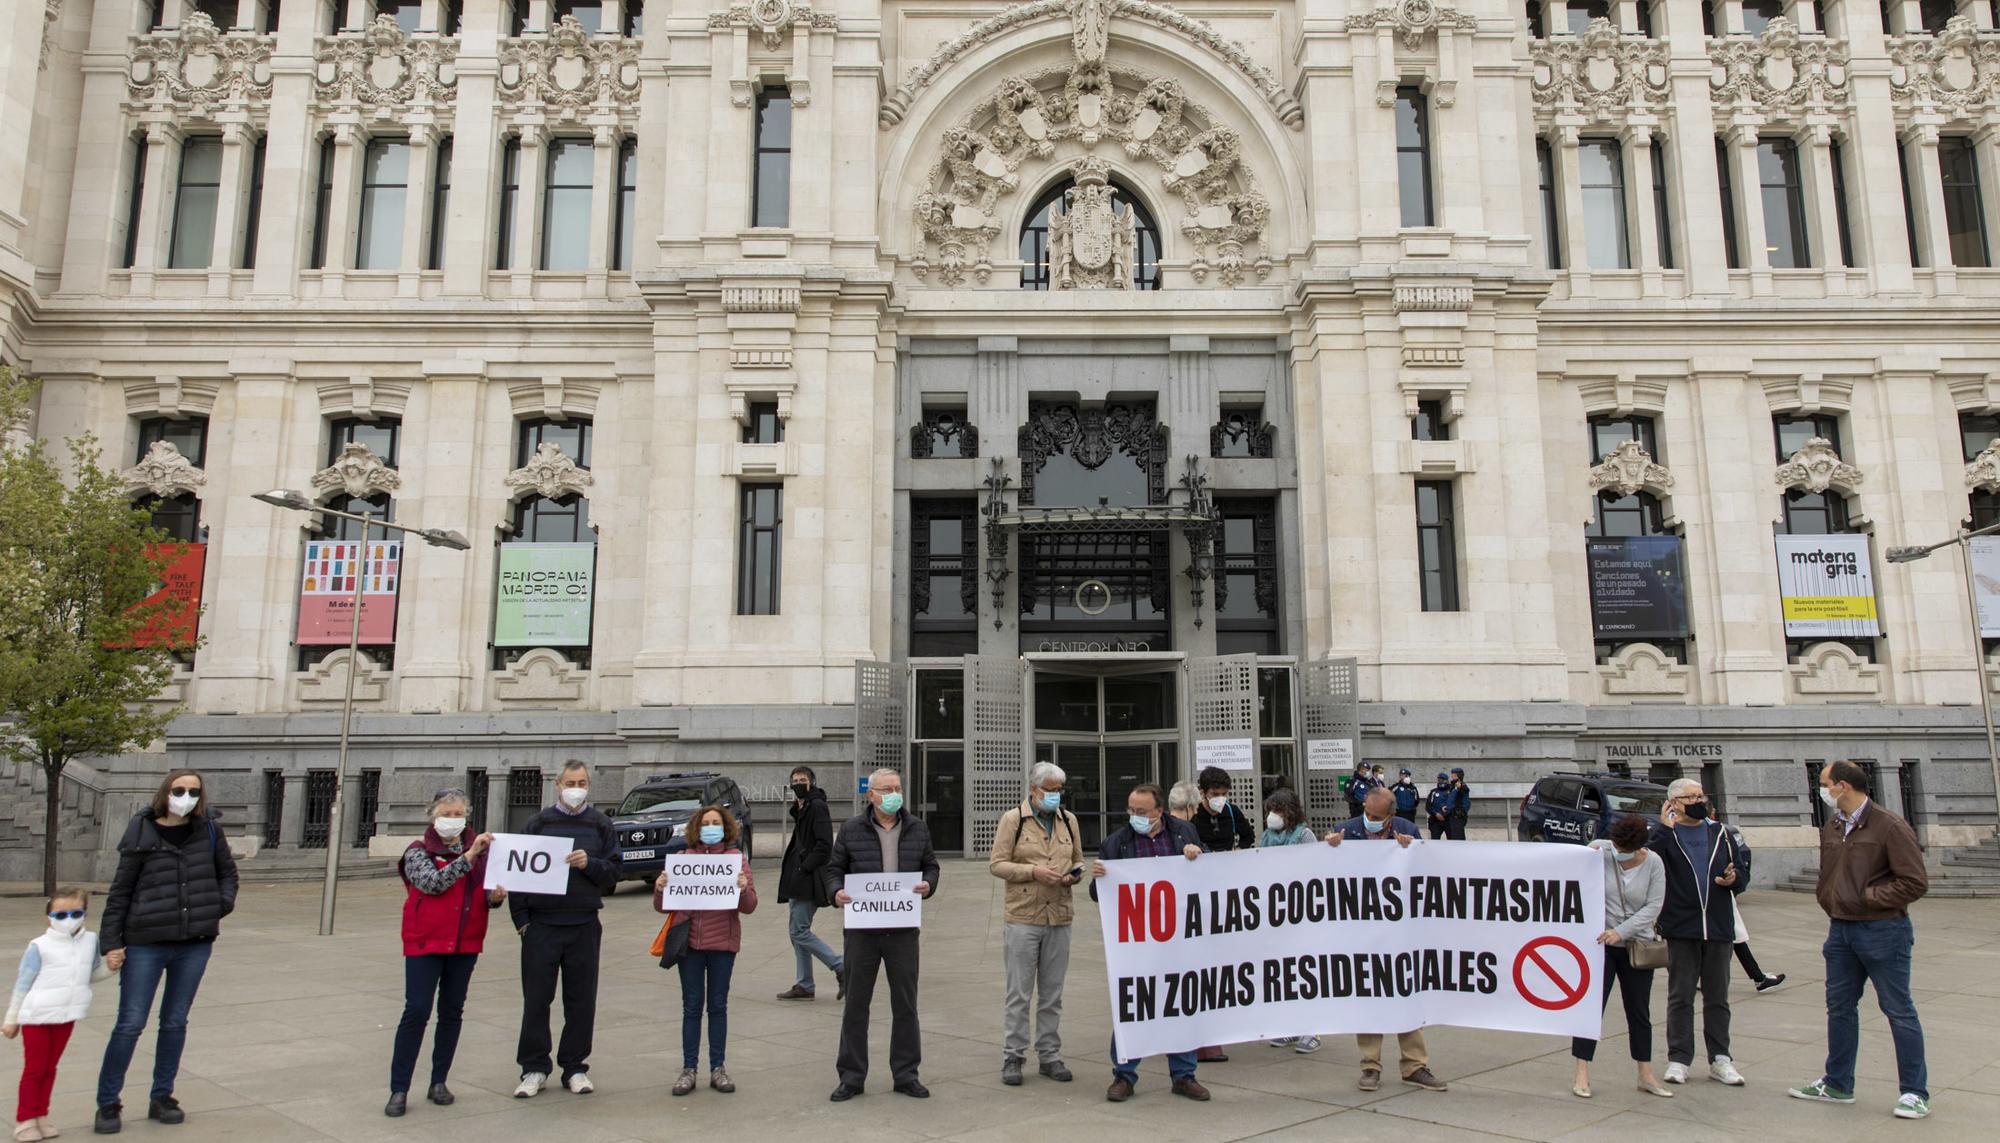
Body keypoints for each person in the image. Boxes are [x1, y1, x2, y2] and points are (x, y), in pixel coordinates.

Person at [94, 768, 238, 1135]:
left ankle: (163, 1096)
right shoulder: (143, 830)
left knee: (175, 1021)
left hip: (193, 944)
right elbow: (120, 891)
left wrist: (216, 906)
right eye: (179, 789)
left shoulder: (207, 830)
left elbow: (228, 875)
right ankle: (108, 1102)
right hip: (146, 943)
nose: (186, 796)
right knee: (130, 1024)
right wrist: (111, 942)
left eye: (193, 791)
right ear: (166, 791)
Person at [1788, 760, 1932, 1120]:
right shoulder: (1834, 825)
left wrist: (1866, 899)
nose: (1822, 790)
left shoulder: (1889, 826)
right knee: (1839, 1008)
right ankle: (1838, 1083)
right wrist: (1830, 899)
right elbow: (1830, 874)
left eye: (1824, 784)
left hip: (1884, 931)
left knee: (1898, 1011)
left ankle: (1914, 1093)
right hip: (1841, 930)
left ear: (1842, 786)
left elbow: (1915, 882)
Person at [387, 788, 507, 1118]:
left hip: (464, 943)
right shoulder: (417, 851)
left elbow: (484, 897)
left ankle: (439, 1081)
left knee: (452, 1012)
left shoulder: (483, 854)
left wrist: (496, 897)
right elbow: (433, 883)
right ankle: (399, 1088)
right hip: (425, 943)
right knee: (417, 1011)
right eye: (447, 814)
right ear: (433, 816)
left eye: (458, 814)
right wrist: (468, 857)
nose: (453, 820)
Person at [1323, 788, 1448, 1093]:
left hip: (1399, 932)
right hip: (1363, 931)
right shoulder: (1348, 830)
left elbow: (1424, 874)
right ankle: (1370, 1065)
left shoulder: (1406, 830)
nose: (1369, 821)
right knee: (1368, 996)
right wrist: (1329, 847)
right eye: (1366, 813)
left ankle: (1414, 1065)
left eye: (1376, 817)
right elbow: (1329, 874)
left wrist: (1411, 850)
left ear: (1391, 815)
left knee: (1406, 993)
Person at [510, 760, 622, 1099]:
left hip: (584, 924)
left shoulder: (601, 824)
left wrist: (591, 864)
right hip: (542, 926)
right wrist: (522, 921)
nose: (577, 787)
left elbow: (615, 872)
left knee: (581, 1000)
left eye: (583, 782)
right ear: (558, 785)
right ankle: (533, 1067)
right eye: (571, 781)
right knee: (536, 1000)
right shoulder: (538, 822)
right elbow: (517, 872)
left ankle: (574, 1067)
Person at [827, 769, 940, 1102]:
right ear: (871, 795)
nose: (894, 794)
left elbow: (931, 865)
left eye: (898, 788)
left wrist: (929, 885)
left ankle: (906, 1074)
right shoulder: (851, 829)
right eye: (887, 789)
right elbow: (834, 869)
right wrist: (836, 892)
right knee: (856, 1005)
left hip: (902, 930)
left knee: (905, 1004)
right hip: (862, 931)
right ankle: (851, 1076)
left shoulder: (917, 827)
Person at [1092, 783, 1208, 1103]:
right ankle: (1124, 1075)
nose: (1135, 817)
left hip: (1179, 936)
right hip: (1138, 942)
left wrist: (1198, 855)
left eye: (1141, 812)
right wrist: (1100, 878)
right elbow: (1097, 895)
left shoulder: (1183, 832)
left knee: (1181, 1002)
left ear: (1159, 811)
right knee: (1135, 1003)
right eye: (1131, 810)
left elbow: (1212, 873)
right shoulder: (1117, 843)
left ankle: (1184, 1075)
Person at [988, 761, 1086, 1086]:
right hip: (1023, 917)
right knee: (1019, 993)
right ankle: (1013, 1056)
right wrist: (1032, 872)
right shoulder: (1013, 820)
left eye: (1060, 790)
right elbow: (997, 864)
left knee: (1052, 993)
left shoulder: (1068, 821)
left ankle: (1050, 1055)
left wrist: (1075, 874)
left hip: (1059, 914)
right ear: (1034, 789)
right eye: (1051, 790)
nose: (1056, 796)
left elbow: (1078, 859)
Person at [1647, 776, 1746, 1087]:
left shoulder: (1722, 833)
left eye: (1701, 795)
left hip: (1717, 927)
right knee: (1681, 996)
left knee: (1718, 997)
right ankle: (1679, 1058)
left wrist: (1734, 879)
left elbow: (1742, 873)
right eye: (1691, 797)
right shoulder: (1665, 836)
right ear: (1674, 803)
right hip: (1681, 927)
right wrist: (1664, 830)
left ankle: (1721, 1058)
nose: (1699, 801)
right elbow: (1647, 864)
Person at [1571, 815, 1672, 1101]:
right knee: (1591, 1009)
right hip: (1600, 945)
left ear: (1640, 846)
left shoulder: (1653, 863)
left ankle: (1645, 1073)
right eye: (1616, 845)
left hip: (1636, 946)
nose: (1619, 852)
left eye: (1624, 848)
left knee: (1639, 1012)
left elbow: (1654, 906)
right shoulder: (1602, 850)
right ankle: (1581, 1070)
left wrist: (1621, 931)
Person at [657, 805, 756, 1096]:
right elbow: (662, 906)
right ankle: (689, 1069)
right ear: (696, 828)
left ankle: (718, 1068)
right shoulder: (683, 858)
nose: (710, 827)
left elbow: (750, 906)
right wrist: (661, 887)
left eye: (715, 822)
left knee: (718, 1006)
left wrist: (742, 887)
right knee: (691, 1007)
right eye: (705, 823)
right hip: (689, 945)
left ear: (724, 828)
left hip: (722, 945)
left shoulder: (736, 860)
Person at [6, 888, 112, 1143]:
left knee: (50, 1068)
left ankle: (41, 1114)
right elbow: (22, 984)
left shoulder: (90, 941)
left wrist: (111, 966)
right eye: (61, 913)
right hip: (37, 1017)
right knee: (35, 1069)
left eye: (76, 912)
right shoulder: (39, 946)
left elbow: (91, 974)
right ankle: (25, 1119)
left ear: (85, 913)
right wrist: (11, 1019)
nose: (69, 918)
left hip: (66, 1015)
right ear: (49, 916)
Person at [775, 766, 845, 1002]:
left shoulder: (817, 806)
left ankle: (840, 964)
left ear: (812, 782)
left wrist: (803, 867)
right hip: (798, 877)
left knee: (799, 931)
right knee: (796, 933)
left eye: (802, 780)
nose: (798, 783)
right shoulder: (802, 808)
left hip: (808, 878)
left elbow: (825, 846)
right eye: (794, 780)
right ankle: (805, 984)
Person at [1259, 789, 1320, 1055]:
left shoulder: (1304, 836)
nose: (1273, 816)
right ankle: (1290, 1027)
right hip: (1276, 913)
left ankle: (1312, 1030)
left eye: (1278, 810)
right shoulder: (1267, 837)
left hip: (1301, 912)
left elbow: (1314, 870)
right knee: (1283, 972)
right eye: (1271, 810)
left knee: (1305, 970)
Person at [1190, 766, 1254, 854]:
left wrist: (1238, 849)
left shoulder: (1232, 811)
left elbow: (1249, 836)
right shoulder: (1194, 814)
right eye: (1215, 794)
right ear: (1202, 793)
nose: (1220, 798)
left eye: (1224, 794)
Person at [1445, 767, 1472, 839]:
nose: (1452, 777)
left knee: (1458, 838)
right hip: (1451, 815)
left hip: (1458, 816)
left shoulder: (1462, 786)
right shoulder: (1453, 787)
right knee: (1453, 837)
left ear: (1458, 776)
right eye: (1452, 775)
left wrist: (1460, 787)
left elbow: (1465, 790)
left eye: (1454, 776)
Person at [1425, 772, 1453, 840]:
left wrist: (1445, 815)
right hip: (1435, 821)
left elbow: (1454, 805)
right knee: (1435, 841)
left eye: (1443, 780)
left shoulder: (1452, 792)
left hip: (1448, 821)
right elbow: (1428, 806)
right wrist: (1436, 814)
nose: (1441, 782)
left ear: (1447, 781)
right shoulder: (1433, 792)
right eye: (1439, 780)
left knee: (1452, 841)